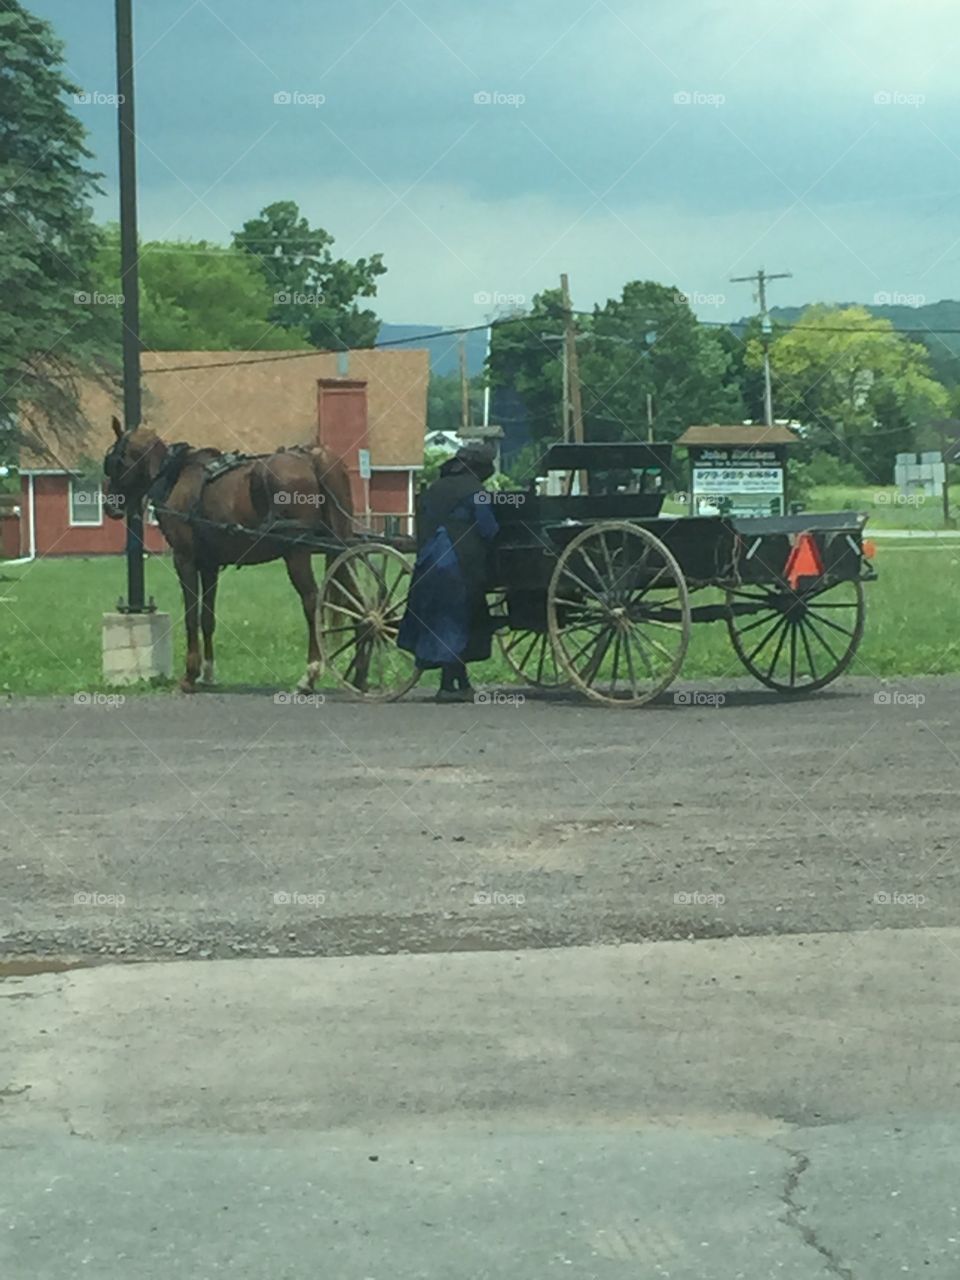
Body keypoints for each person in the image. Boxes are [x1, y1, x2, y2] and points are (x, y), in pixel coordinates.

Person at [398, 443, 500, 702]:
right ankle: (450, 686)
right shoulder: (476, 492)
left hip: (430, 562)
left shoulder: (434, 489)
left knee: (444, 622)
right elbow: (489, 528)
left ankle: (455, 683)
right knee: (458, 622)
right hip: (459, 563)